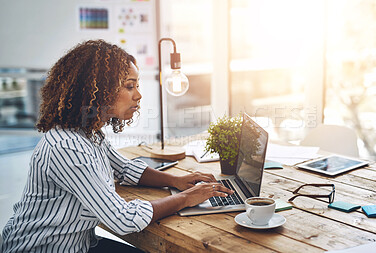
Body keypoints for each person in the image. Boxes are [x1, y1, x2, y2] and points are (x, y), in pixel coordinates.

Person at [1, 40, 233, 253]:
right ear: (97, 90)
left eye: (137, 86)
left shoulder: (88, 133)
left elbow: (125, 169)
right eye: (129, 86)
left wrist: (176, 181)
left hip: (78, 242)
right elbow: (123, 219)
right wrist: (187, 198)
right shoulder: (68, 147)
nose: (139, 95)